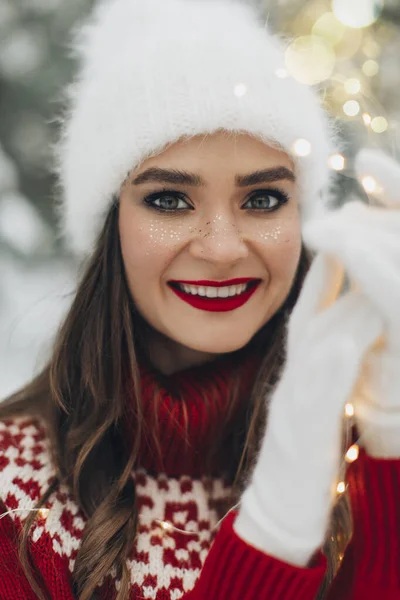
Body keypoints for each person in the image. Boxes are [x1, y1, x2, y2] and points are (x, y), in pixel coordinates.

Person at [1, 0, 400, 599]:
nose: (221, 249)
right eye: (168, 199)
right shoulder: (14, 494)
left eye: (263, 199)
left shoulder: (367, 461)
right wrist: (273, 532)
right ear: (111, 227)